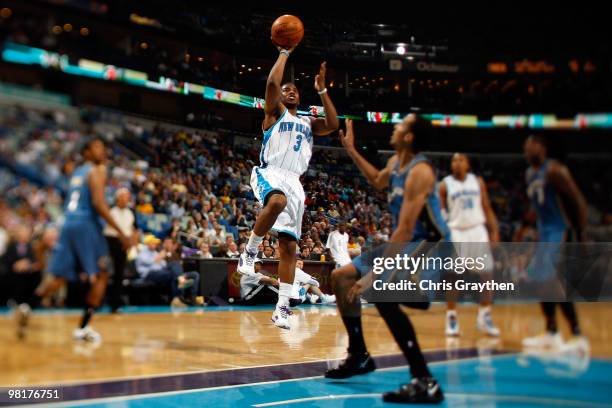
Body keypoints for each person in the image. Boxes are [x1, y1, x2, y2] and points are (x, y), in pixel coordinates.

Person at [325, 115, 448, 404]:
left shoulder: (421, 172)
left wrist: (376, 273)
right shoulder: (395, 164)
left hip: (429, 248)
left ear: (409, 137)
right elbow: (377, 180)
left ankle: (425, 380)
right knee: (341, 278)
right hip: (406, 245)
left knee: (383, 291)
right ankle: (359, 355)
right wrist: (351, 150)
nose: (396, 127)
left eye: (401, 125)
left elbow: (405, 229)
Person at [236, 43, 339, 330]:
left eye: (295, 90)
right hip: (272, 172)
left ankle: (282, 308)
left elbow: (332, 123)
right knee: (276, 201)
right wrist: (284, 52)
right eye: (286, 89)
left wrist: (322, 89)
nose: (290, 91)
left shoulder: (307, 121)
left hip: (296, 183)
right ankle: (250, 253)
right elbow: (271, 82)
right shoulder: (273, 114)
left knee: (289, 248)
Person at [16, 138, 130, 341]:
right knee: (103, 273)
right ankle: (84, 327)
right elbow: (98, 203)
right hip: (86, 224)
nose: (102, 151)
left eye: (103, 147)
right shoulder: (98, 170)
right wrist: (121, 232)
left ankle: (27, 305)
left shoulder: (77, 173)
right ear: (86, 152)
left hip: (68, 224)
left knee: (61, 276)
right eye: (97, 147)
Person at [522, 135, 588, 351]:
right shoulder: (530, 174)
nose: (527, 148)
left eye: (532, 144)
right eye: (525, 145)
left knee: (552, 280)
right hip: (544, 230)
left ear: (542, 147)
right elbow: (539, 206)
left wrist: (581, 233)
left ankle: (577, 334)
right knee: (540, 280)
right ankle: (551, 332)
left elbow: (577, 200)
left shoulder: (554, 170)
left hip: (560, 229)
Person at [439, 153, 500, 337]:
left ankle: (484, 317)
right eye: (454, 160)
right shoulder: (444, 184)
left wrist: (494, 231)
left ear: (468, 164)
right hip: (457, 231)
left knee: (487, 274)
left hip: (477, 229)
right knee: (454, 276)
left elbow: (486, 207)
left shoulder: (477, 181)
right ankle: (451, 317)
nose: (457, 163)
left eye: (461, 160)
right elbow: (440, 211)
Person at [103, 188, 138, 313]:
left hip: (124, 245)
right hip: (111, 242)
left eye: (128, 196)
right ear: (118, 198)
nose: (126, 199)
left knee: (119, 275)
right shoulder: (111, 211)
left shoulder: (130, 213)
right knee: (105, 273)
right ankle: (100, 301)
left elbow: (133, 229)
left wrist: (131, 242)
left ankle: (115, 304)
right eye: (124, 196)